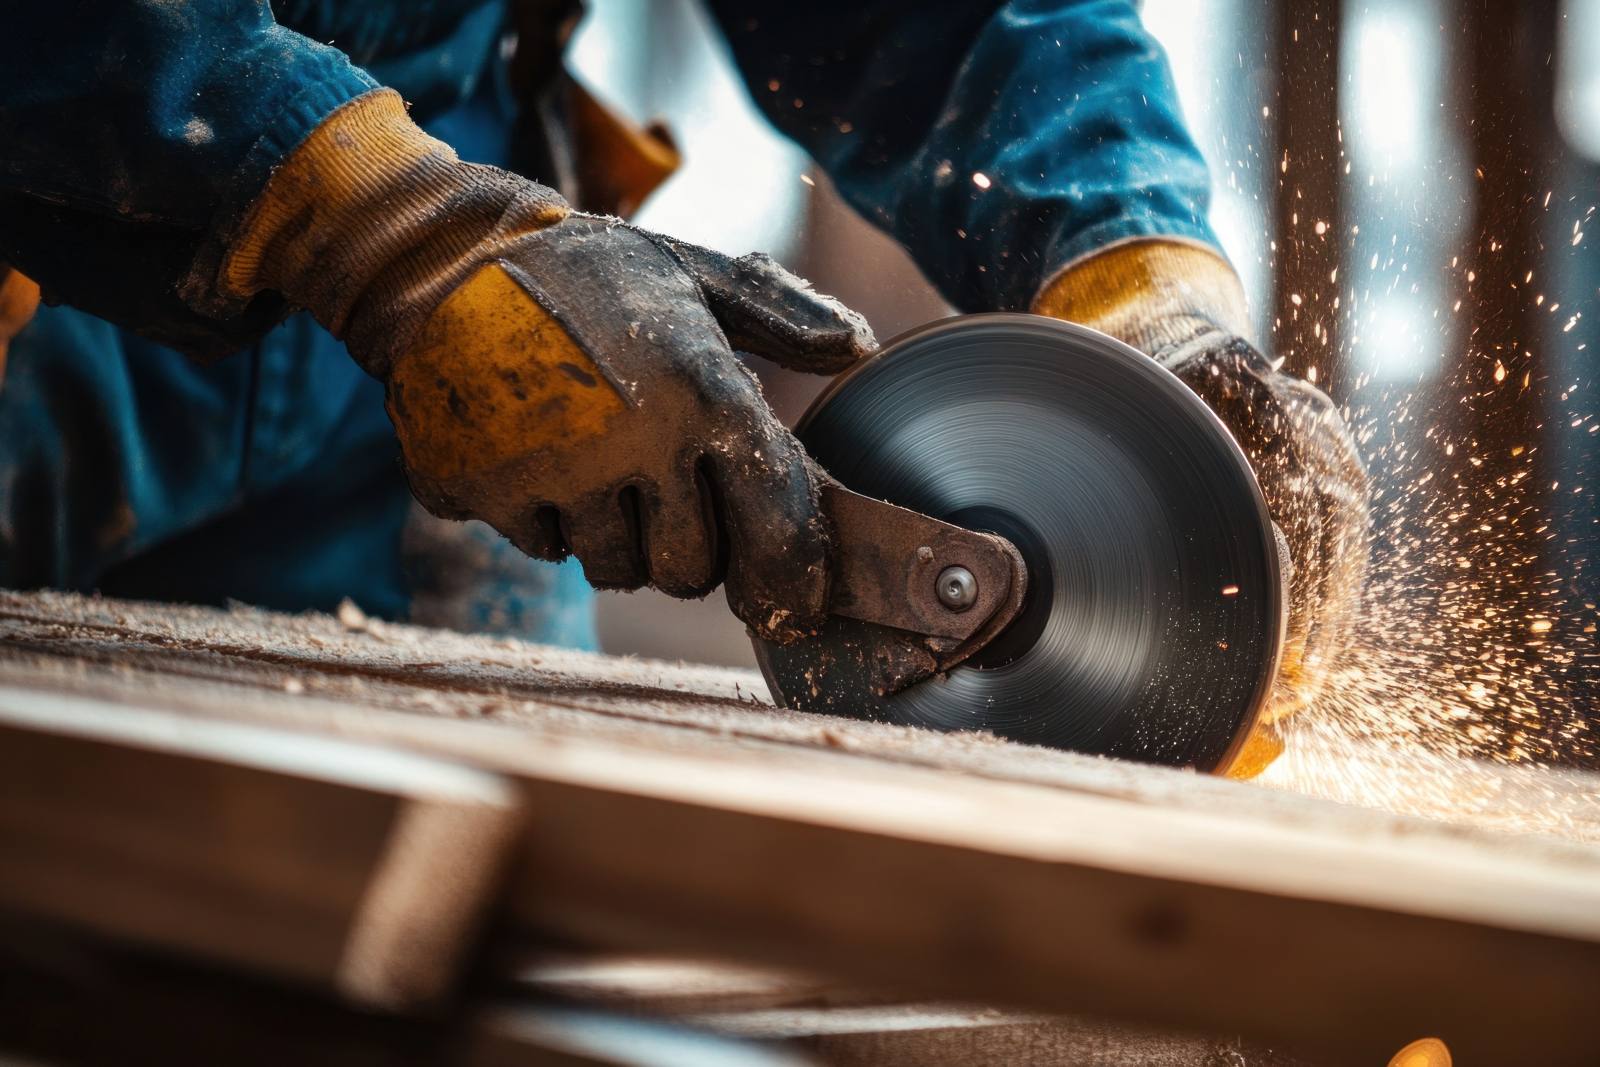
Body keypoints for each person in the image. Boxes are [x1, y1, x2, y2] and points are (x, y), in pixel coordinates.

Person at [0, 0, 1367, 770]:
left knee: (495, 885)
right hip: (59, 251)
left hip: (454, 278)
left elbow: (949, 29)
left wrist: (1132, 258)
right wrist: (361, 218)